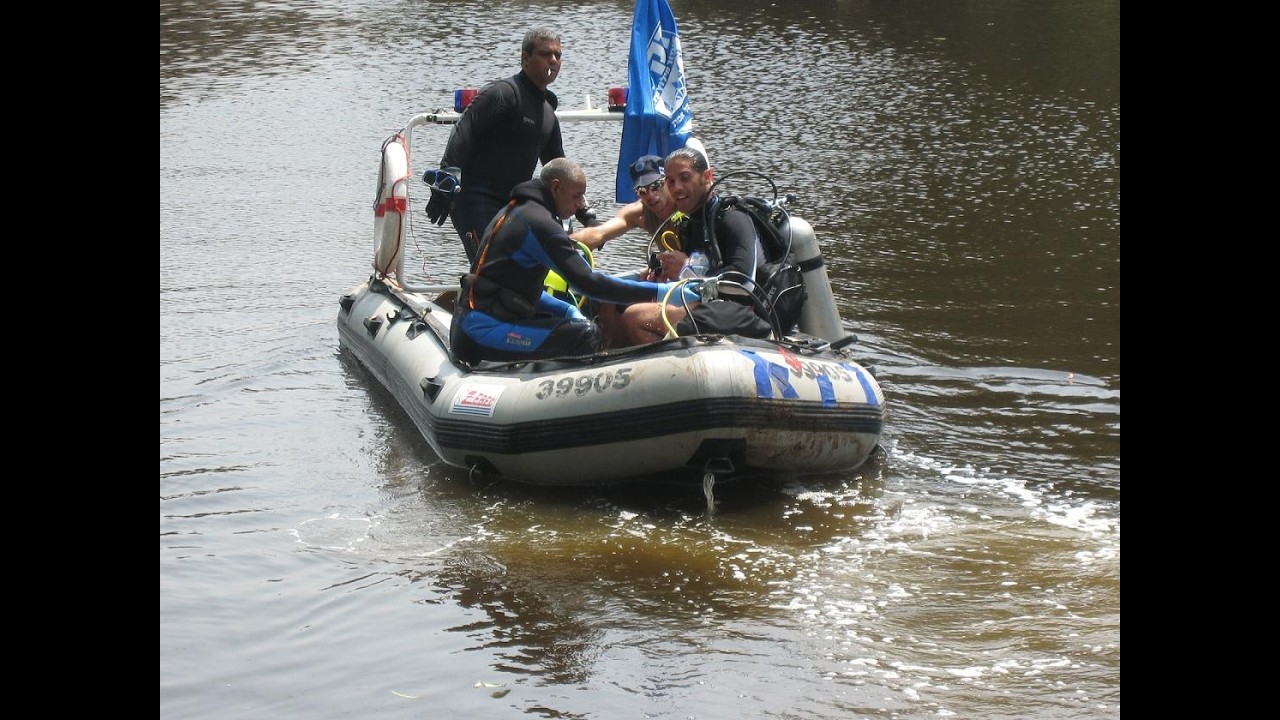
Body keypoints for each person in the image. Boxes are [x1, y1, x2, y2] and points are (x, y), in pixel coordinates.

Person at [450, 158, 703, 364]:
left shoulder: (515, 210)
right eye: (577, 196)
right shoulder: (540, 224)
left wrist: (567, 309)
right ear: (557, 188)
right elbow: (589, 284)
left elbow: (518, 288)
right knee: (584, 335)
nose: (581, 205)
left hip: (474, 321)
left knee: (573, 322)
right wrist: (662, 291)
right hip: (480, 331)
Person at [424, 28, 568, 264]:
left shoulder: (547, 112)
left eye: (558, 55)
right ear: (525, 58)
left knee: (520, 268)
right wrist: (448, 175)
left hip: (514, 204)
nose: (553, 60)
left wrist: (581, 209)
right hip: (475, 196)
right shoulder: (502, 93)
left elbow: (557, 167)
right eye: (545, 54)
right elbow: (464, 129)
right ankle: (474, 297)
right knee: (489, 267)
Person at [615, 145, 773, 346]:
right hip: (710, 305)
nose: (677, 188)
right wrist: (668, 275)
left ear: (707, 176)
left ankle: (674, 371)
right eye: (670, 182)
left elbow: (743, 283)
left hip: (744, 311)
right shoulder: (692, 223)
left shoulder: (733, 218)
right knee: (622, 305)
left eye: (685, 178)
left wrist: (687, 269)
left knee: (636, 317)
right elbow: (697, 273)